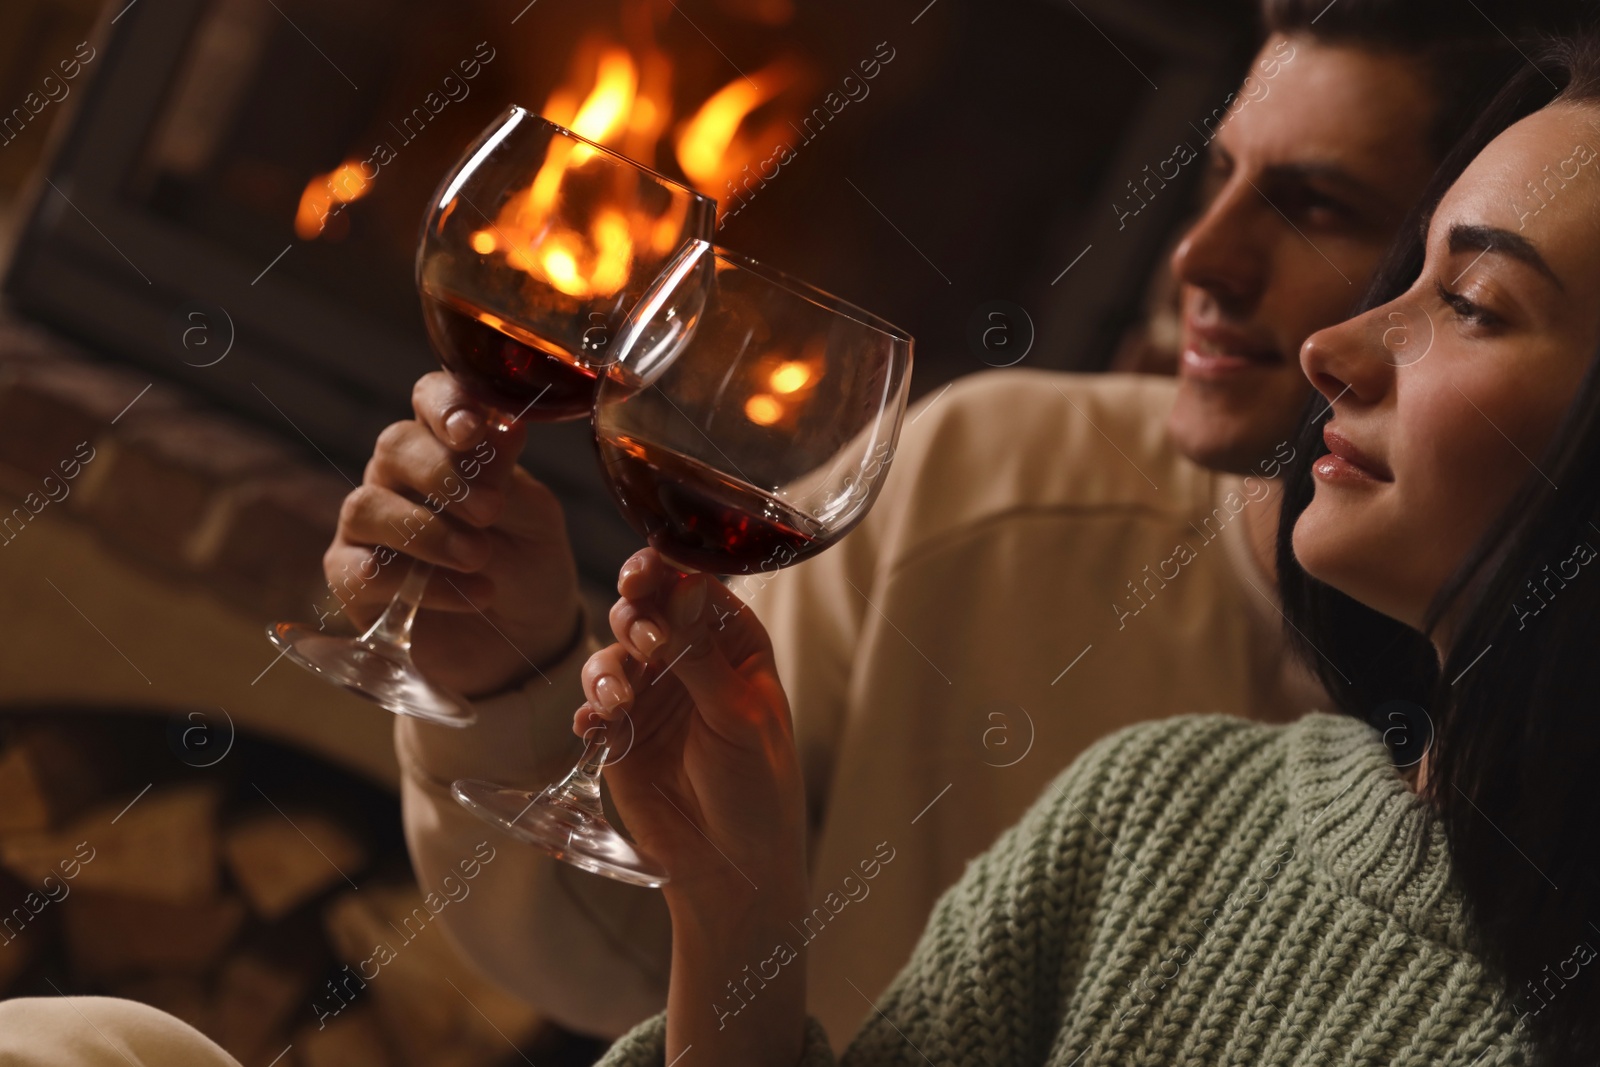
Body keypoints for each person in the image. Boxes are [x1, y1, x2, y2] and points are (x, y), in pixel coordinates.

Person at [327, 0, 1592, 1044]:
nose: (1201, 256)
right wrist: (507, 673)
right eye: (1210, 178)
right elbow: (636, 956)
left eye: (1318, 208)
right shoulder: (1031, 552)